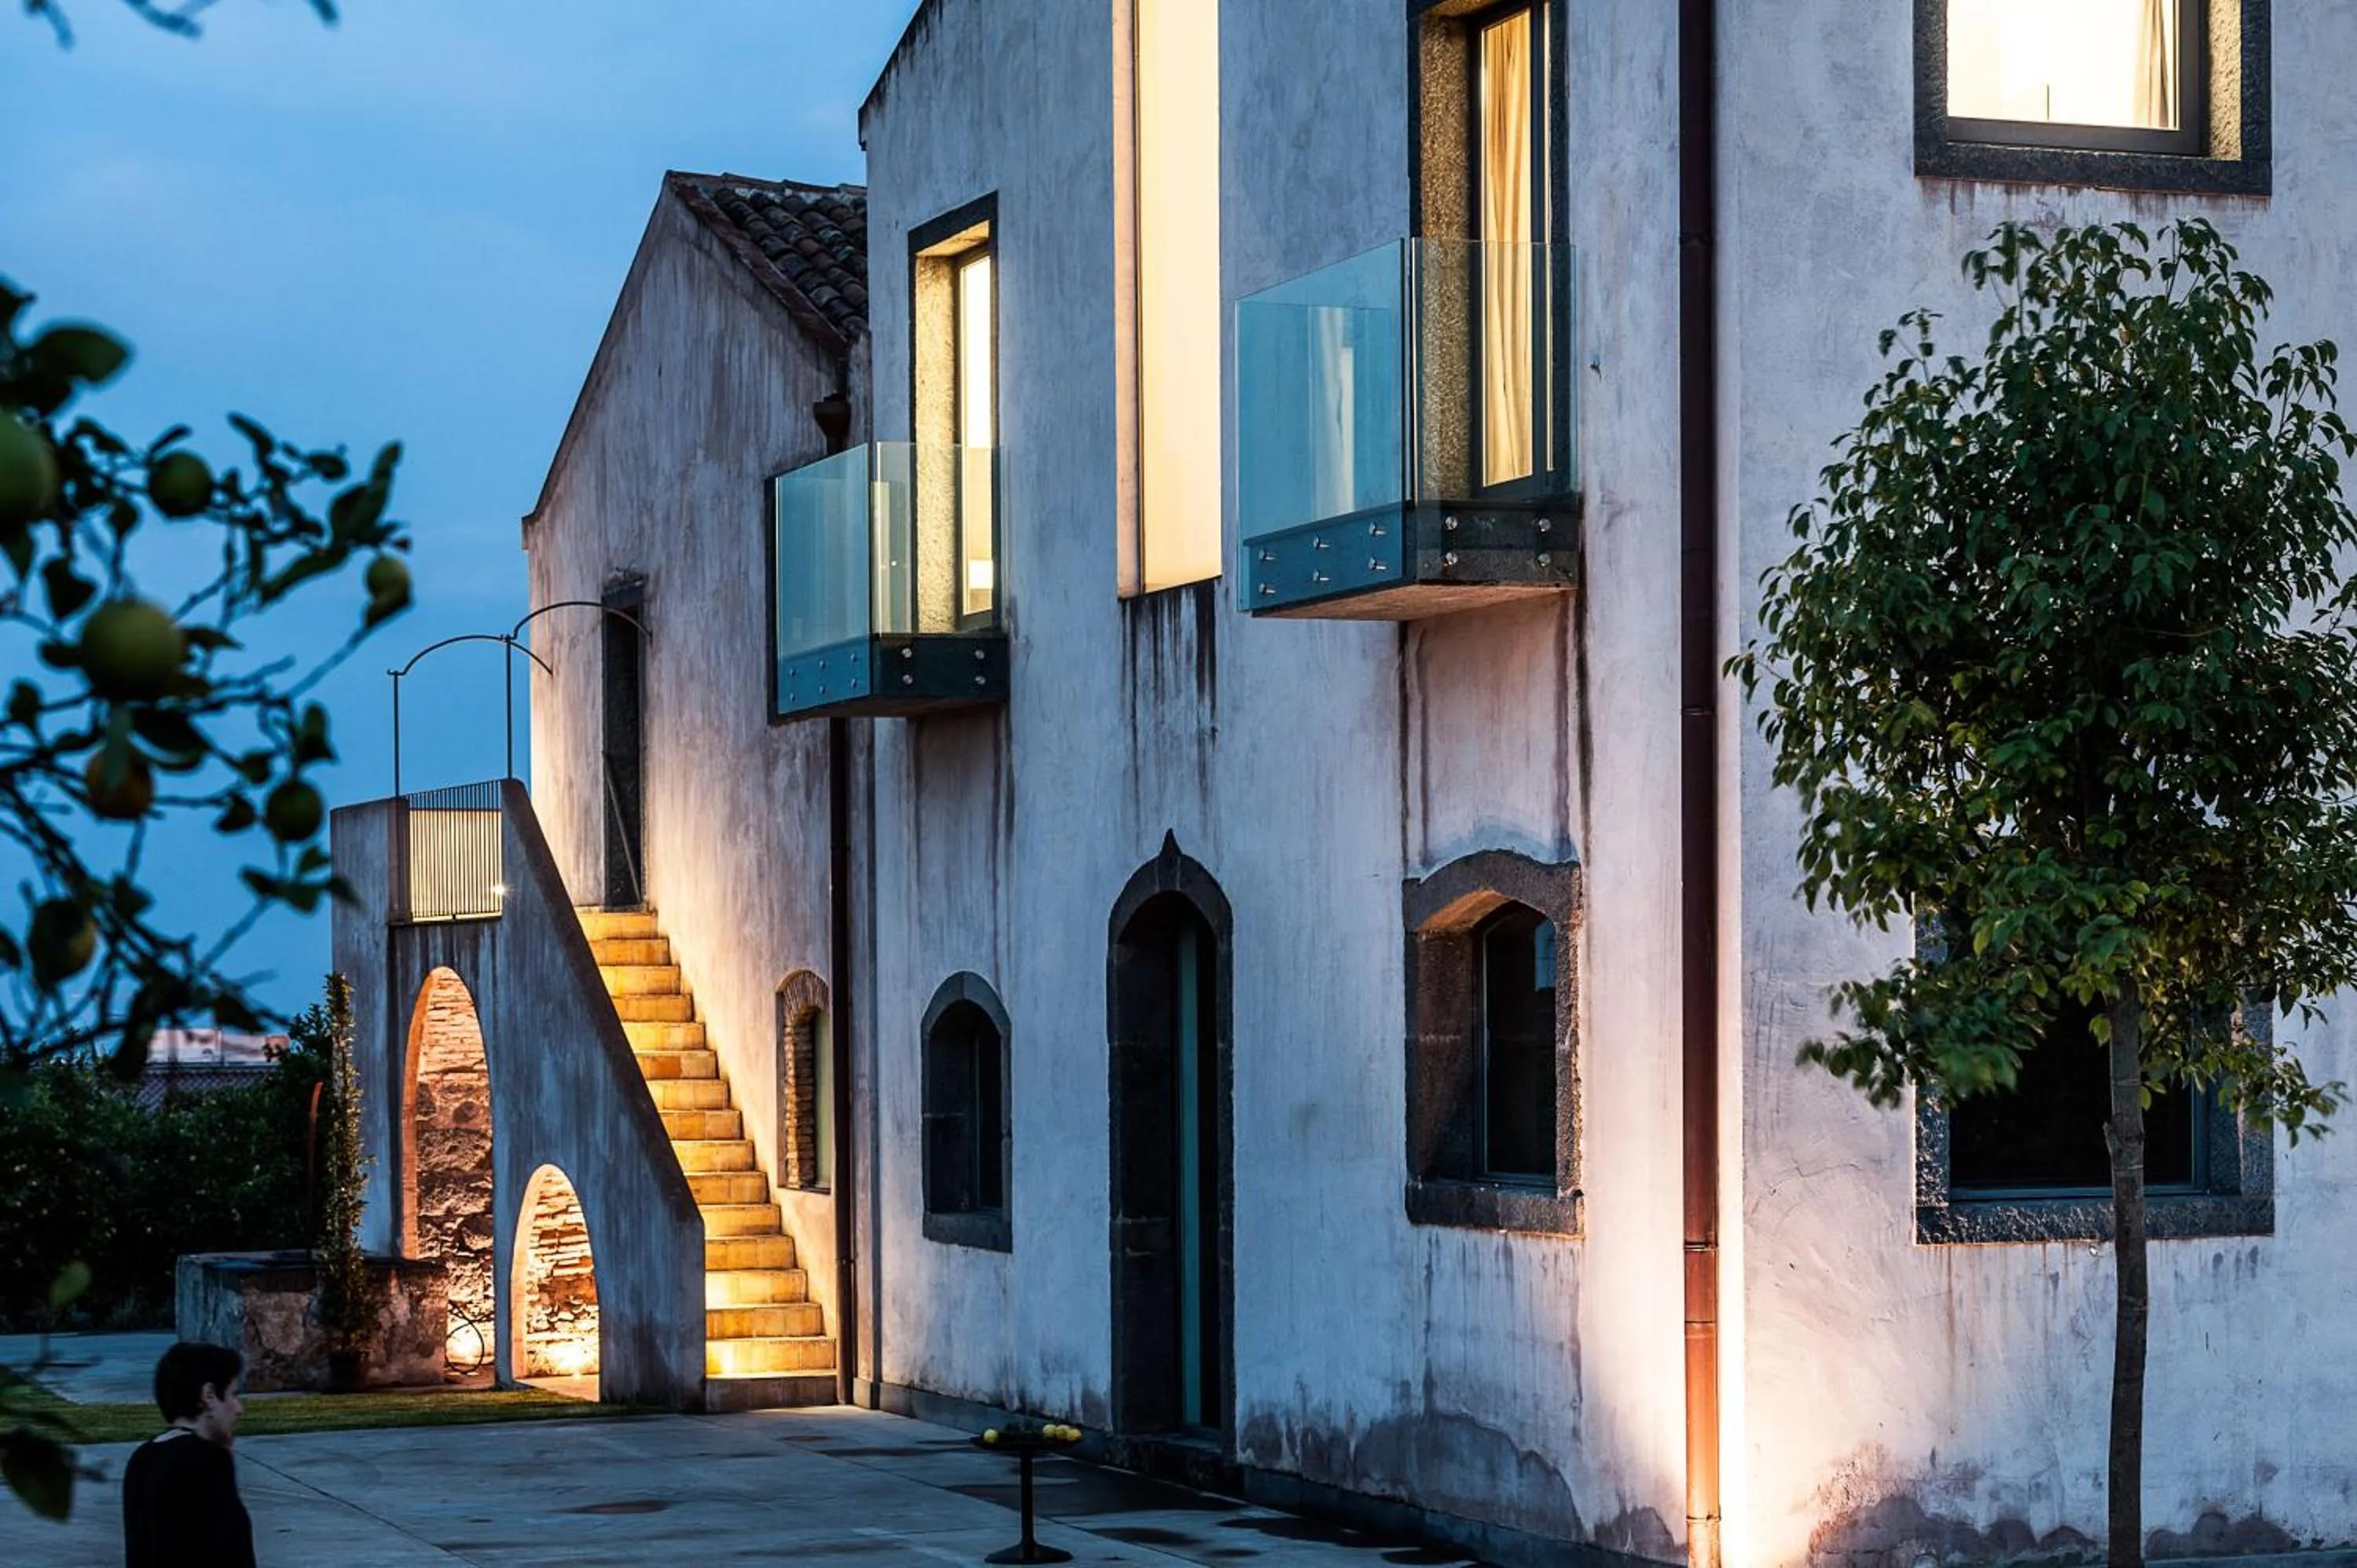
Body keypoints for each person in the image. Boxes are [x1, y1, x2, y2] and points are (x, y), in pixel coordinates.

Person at [120, 1340, 255, 1568]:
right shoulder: (208, 1459)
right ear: (209, 1395)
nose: (239, 1409)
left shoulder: (142, 1459)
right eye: (233, 1395)